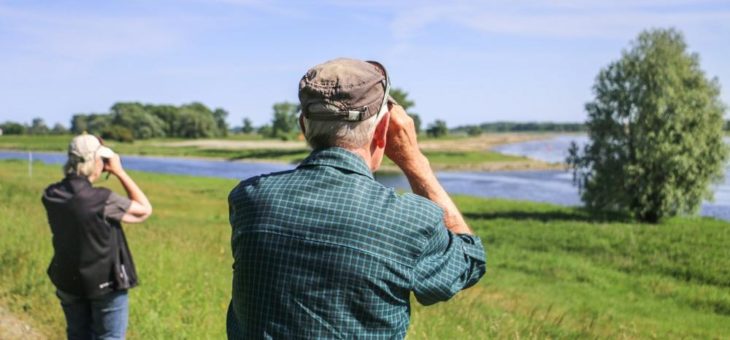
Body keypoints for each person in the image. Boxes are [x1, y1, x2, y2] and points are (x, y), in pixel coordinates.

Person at [227, 58, 486, 339]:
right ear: (383, 129)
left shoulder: (249, 199)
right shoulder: (409, 221)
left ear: (304, 125)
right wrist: (416, 163)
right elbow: (469, 263)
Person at [42, 133, 152, 339]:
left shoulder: (51, 194)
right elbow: (144, 210)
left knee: (77, 335)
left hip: (67, 279)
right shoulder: (102, 199)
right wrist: (119, 171)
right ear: (95, 161)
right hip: (106, 284)